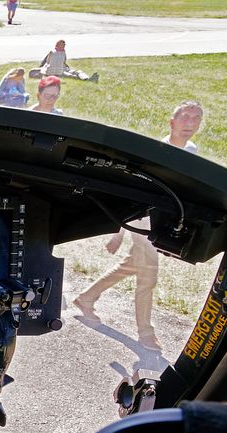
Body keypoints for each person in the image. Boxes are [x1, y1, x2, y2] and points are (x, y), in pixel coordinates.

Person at [72, 102, 205, 351]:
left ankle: (86, 298)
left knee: (132, 266)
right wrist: (119, 234)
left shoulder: (192, 152)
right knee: (148, 278)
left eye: (196, 118)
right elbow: (135, 197)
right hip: (143, 223)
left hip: (162, 222)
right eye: (185, 117)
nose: (190, 123)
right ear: (171, 121)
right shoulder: (156, 154)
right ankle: (146, 334)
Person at [30, 40, 98, 82]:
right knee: (72, 74)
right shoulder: (60, 53)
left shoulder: (54, 52)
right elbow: (46, 63)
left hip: (60, 69)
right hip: (58, 71)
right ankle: (87, 79)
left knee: (76, 72)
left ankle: (87, 78)